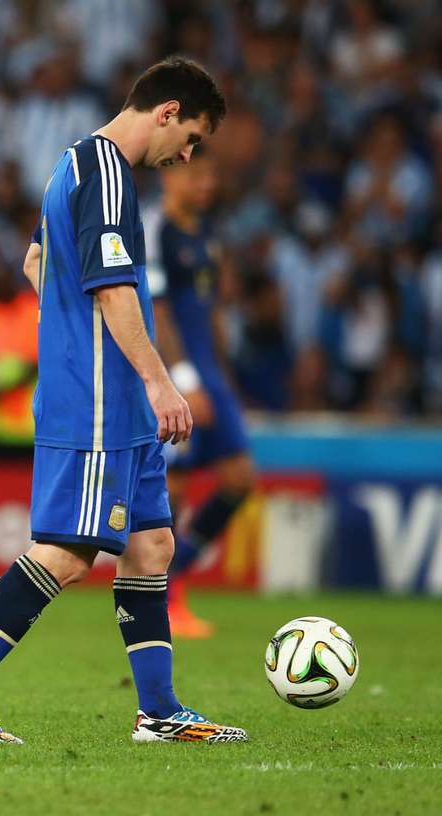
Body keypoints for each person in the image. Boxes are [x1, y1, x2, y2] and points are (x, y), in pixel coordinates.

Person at [0, 57, 248, 744]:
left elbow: (36, 263)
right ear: (165, 112)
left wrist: (72, 327)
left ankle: (157, 711)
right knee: (69, 552)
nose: (185, 155)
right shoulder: (105, 175)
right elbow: (112, 288)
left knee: (152, 544)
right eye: (189, 137)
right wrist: (159, 380)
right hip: (100, 398)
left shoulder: (77, 166)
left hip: (116, 397)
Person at [144, 150, 256, 638]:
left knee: (240, 479)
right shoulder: (155, 229)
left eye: (212, 174)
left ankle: (174, 574)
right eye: (196, 173)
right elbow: (159, 309)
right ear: (169, 177)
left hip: (209, 375)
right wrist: (183, 377)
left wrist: (222, 379)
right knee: (177, 489)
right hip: (177, 375)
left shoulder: (207, 237)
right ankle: (164, 599)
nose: (206, 183)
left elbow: (210, 314)